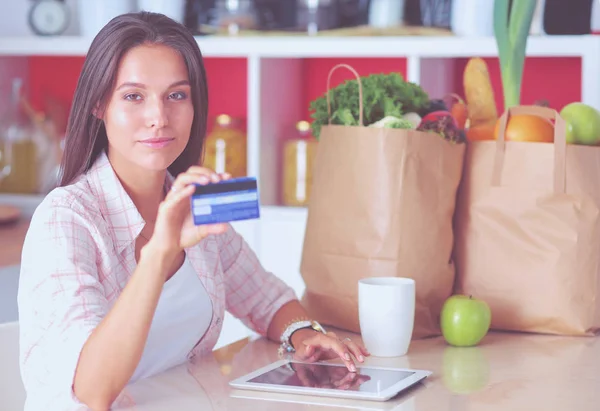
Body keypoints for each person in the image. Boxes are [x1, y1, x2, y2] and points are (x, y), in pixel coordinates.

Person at [17, 11, 369, 411]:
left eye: (176, 95)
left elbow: (267, 301)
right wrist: (161, 251)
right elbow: (92, 390)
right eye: (134, 96)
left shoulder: (191, 199)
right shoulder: (65, 219)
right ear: (99, 104)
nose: (159, 118)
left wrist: (304, 334)